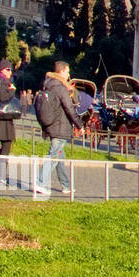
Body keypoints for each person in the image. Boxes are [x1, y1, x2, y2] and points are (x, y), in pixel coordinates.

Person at [35, 61, 82, 196]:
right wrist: (79, 125)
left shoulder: (48, 85)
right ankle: (41, 183)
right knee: (53, 155)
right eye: (67, 71)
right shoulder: (61, 88)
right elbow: (69, 108)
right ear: (61, 71)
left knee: (59, 155)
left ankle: (65, 185)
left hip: (52, 125)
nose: (69, 74)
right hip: (60, 126)